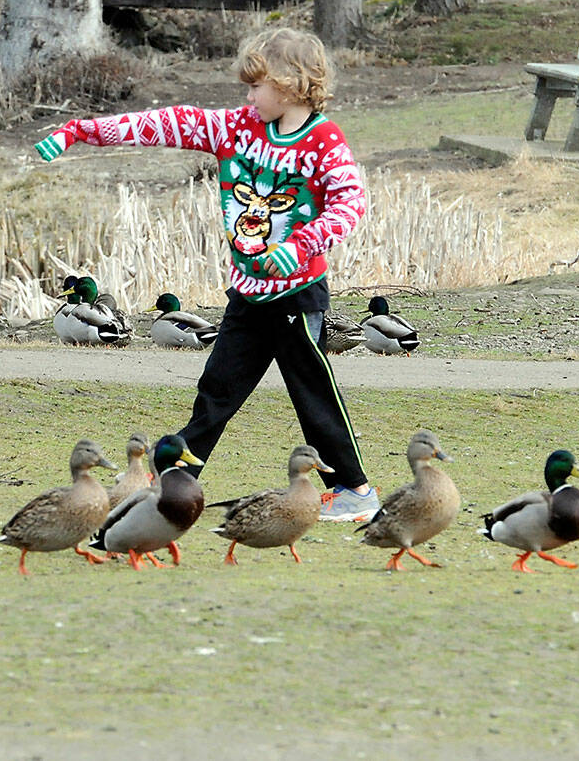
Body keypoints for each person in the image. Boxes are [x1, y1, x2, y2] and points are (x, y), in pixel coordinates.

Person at [33, 26, 378, 522]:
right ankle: (172, 479)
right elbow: (166, 124)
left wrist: (300, 246)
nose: (248, 94)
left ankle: (354, 490)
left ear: (290, 83)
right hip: (248, 295)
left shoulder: (324, 140)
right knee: (216, 389)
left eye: (256, 85)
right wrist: (79, 132)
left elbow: (350, 206)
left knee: (311, 392)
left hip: (297, 295)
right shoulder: (236, 127)